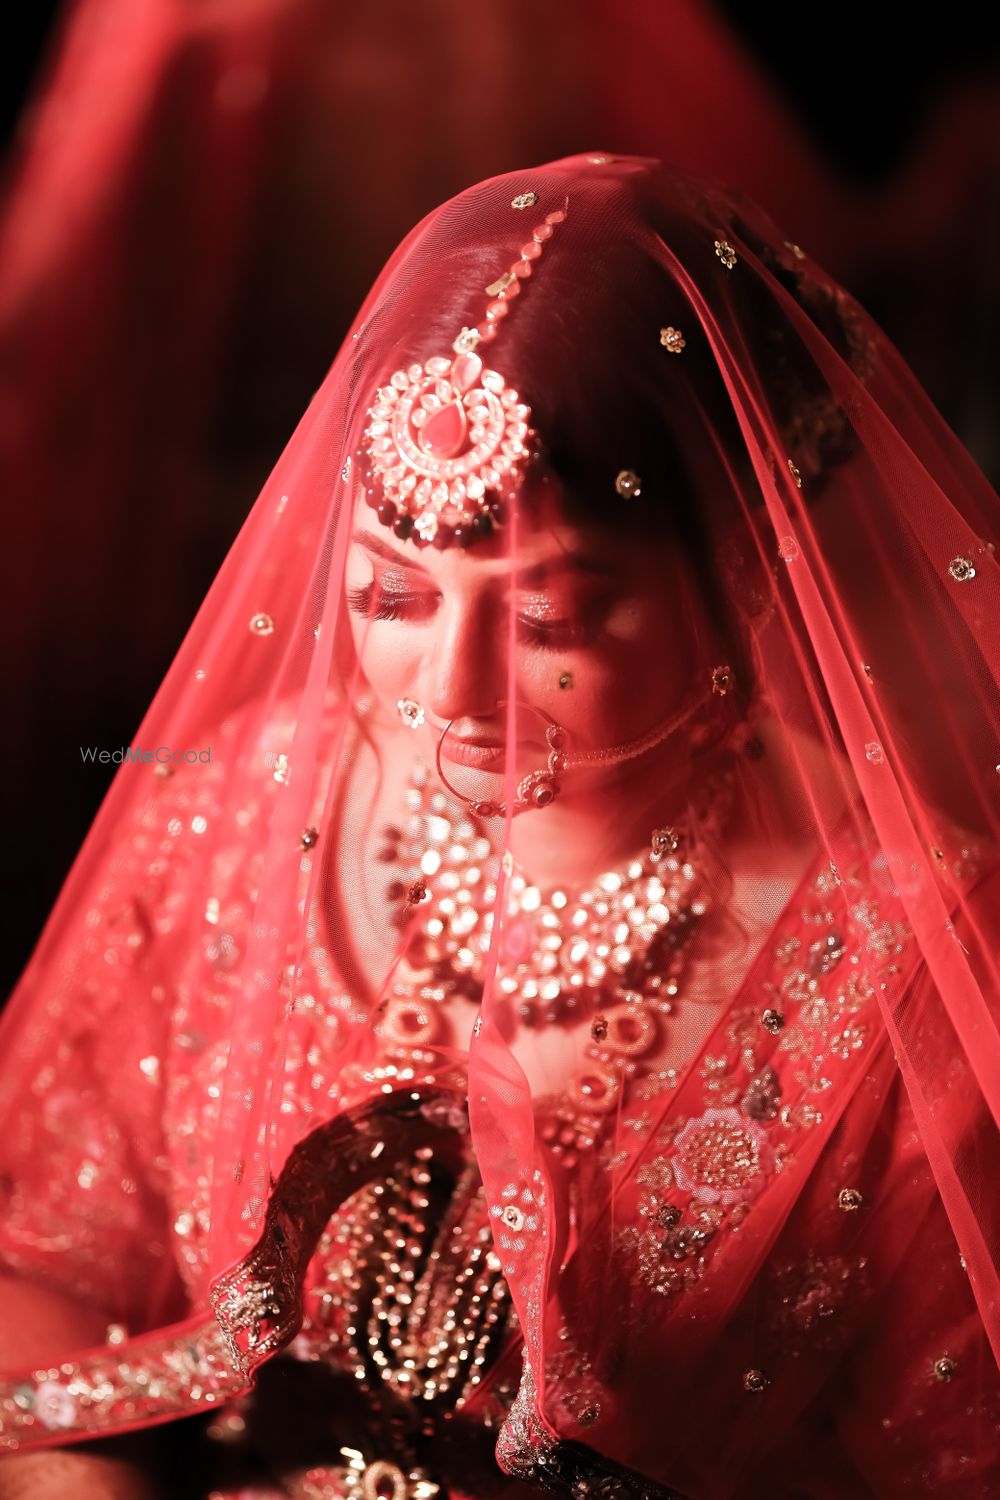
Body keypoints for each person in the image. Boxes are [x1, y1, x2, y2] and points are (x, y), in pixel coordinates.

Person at [0, 152, 997, 1499]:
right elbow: (45, 1258)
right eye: (388, 595)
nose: (450, 694)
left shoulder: (915, 971)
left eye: (547, 622)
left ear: (756, 573)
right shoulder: (243, 808)